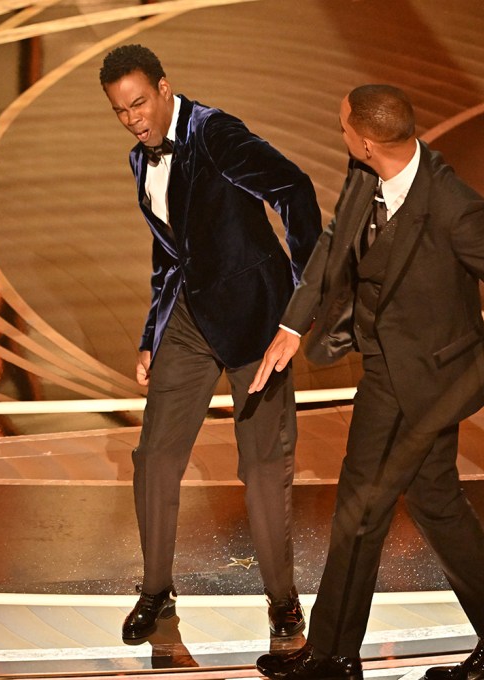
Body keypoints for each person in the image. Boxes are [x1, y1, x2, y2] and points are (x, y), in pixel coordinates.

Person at [249, 85, 484, 680]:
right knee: (435, 503)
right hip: (388, 365)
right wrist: (292, 322)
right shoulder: (366, 173)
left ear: (365, 138)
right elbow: (336, 243)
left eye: (341, 127)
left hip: (434, 379)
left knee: (361, 508)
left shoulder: (454, 206)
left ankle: (335, 656)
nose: (340, 135)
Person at [99, 44, 321, 642]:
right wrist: (151, 335)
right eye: (121, 111)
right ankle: (155, 592)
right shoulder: (140, 159)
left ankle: (283, 602)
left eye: (140, 103)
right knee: (155, 458)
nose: (134, 119)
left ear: (165, 87)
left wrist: (299, 306)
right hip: (190, 323)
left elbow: (294, 191)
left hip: (255, 324)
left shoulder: (215, 133)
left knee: (263, 465)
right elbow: (169, 251)